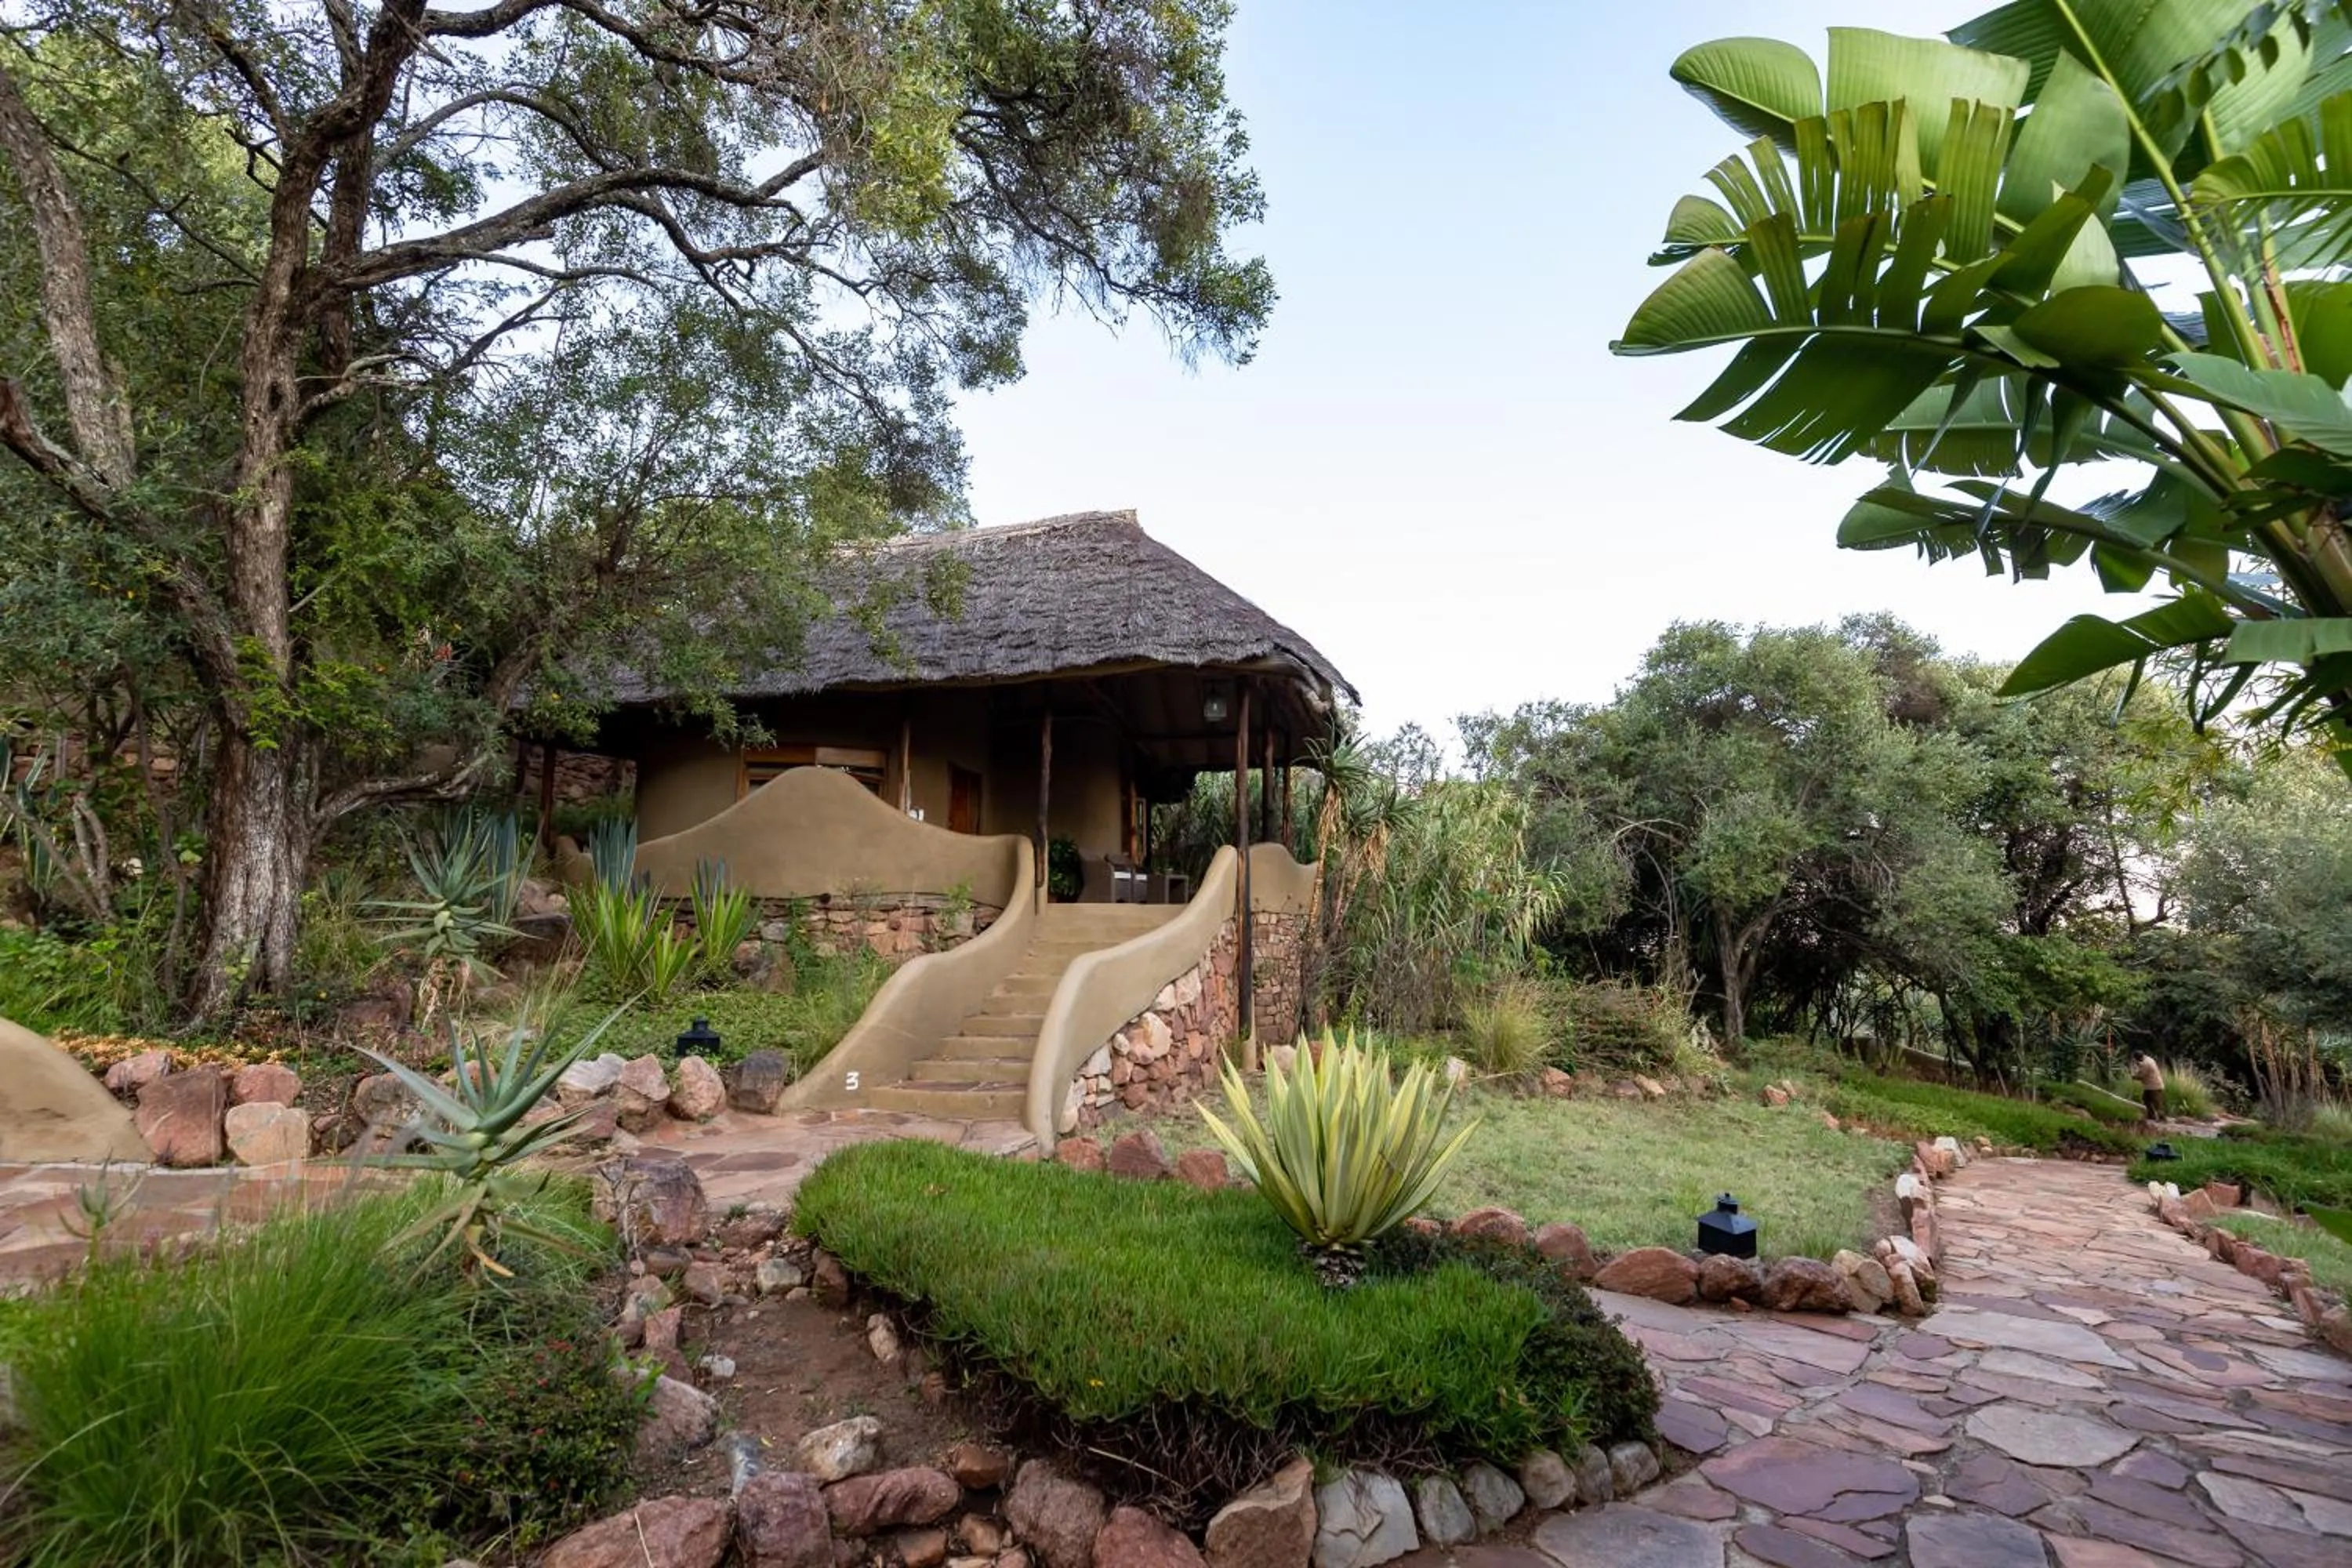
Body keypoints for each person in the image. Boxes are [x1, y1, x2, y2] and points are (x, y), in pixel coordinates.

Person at [2133, 1054, 2165, 1122]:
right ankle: (2151, 1115)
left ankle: (2162, 1118)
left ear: (2138, 1058)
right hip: (2150, 1085)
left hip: (2154, 1086)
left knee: (2157, 1103)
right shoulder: (2149, 1059)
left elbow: (2141, 1076)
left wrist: (2134, 1076)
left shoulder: (2146, 1064)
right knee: (2146, 1099)